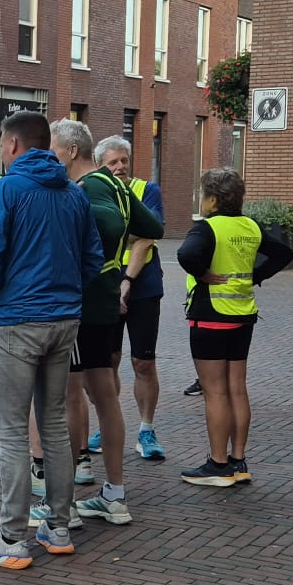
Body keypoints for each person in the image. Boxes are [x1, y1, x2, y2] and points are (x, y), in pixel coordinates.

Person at [0, 112, 104, 567]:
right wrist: (67, 295)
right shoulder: (73, 194)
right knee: (55, 424)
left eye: (3, 144)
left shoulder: (8, 190)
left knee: (12, 430)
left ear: (15, 145)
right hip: (64, 321)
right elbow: (92, 257)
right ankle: (58, 526)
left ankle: (10, 537)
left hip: (18, 321)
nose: (2, 152)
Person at [42, 119, 159, 529]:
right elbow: (152, 228)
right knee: (104, 395)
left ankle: (67, 503)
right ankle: (114, 494)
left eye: (53, 148)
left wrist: (92, 257)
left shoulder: (88, 189)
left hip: (86, 305)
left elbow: (109, 225)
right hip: (107, 301)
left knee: (73, 397)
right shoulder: (117, 186)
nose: (49, 156)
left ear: (72, 151)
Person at [175, 169, 293, 486]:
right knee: (237, 389)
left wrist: (202, 274)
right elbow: (283, 252)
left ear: (212, 199)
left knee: (214, 392)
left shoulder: (207, 228)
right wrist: (257, 276)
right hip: (243, 314)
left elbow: (185, 254)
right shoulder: (249, 226)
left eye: (203, 194)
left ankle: (218, 464)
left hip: (210, 314)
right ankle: (238, 462)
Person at [100, 136, 167, 460]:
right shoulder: (95, 191)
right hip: (105, 285)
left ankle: (146, 429)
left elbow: (147, 237)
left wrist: (128, 280)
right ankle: (106, 424)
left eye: (124, 160)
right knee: (107, 361)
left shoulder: (146, 191)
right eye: (113, 162)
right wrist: (132, 230)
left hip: (143, 286)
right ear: (101, 164)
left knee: (143, 361)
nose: (120, 167)